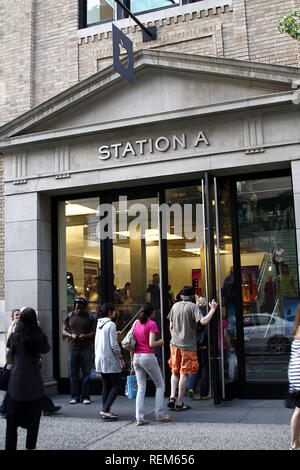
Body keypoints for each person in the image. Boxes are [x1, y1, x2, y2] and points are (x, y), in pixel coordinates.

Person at [5, 307, 51, 450]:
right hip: (34, 384)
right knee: (33, 425)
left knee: (11, 427)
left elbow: (9, 356)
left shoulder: (14, 337)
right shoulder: (40, 337)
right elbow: (46, 349)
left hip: (16, 384)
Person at [167, 286, 217, 411]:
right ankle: (179, 402)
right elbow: (203, 321)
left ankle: (172, 397)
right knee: (184, 374)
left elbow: (171, 325)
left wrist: (173, 338)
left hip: (174, 344)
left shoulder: (175, 306)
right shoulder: (193, 307)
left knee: (175, 371)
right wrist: (212, 309)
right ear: (192, 296)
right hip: (188, 346)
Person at [131, 302, 170, 426]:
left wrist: (132, 361)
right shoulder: (152, 324)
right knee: (160, 385)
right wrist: (162, 342)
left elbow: (132, 342)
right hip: (147, 356)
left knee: (141, 388)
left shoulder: (136, 323)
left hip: (136, 357)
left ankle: (139, 418)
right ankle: (159, 414)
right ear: (151, 312)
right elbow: (152, 343)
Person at [62, 297, 96, 405]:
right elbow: (63, 331)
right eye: (76, 308)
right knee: (73, 373)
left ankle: (85, 396)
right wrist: (70, 335)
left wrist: (85, 336)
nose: (78, 310)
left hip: (86, 347)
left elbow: (94, 332)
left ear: (84, 308)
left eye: (80, 308)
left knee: (86, 373)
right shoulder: (69, 316)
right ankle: (75, 396)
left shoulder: (90, 317)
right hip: (72, 348)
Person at [94, 303, 125, 420]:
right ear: (109, 312)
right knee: (117, 385)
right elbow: (113, 345)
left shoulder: (99, 324)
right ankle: (106, 409)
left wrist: (114, 335)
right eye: (114, 311)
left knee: (106, 384)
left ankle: (105, 409)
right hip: (110, 359)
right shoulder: (111, 325)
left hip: (100, 358)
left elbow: (104, 340)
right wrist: (121, 357)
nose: (115, 313)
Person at [187, 297, 210, 400]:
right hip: (203, 344)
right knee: (205, 367)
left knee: (194, 366)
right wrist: (205, 342)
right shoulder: (206, 313)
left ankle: (191, 387)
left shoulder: (192, 313)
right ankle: (204, 393)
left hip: (193, 343)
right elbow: (206, 330)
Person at [288, 303, 300, 450]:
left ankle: (295, 442)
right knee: (298, 410)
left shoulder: (297, 327)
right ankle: (293, 443)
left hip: (296, 375)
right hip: (299, 376)